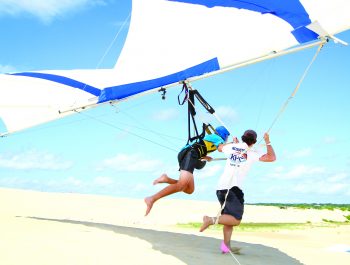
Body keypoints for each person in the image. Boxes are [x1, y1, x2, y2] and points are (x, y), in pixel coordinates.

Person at [199, 130, 276, 254]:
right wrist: (267, 141)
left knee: (228, 219)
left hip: (221, 188)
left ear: (243, 138)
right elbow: (272, 157)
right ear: (254, 142)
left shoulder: (232, 147)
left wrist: (233, 144)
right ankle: (210, 220)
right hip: (233, 189)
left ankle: (226, 247)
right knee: (236, 219)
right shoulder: (252, 153)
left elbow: (219, 148)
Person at [144, 126, 230, 216]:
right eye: (227, 137)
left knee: (189, 189)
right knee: (181, 185)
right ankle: (152, 199)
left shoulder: (214, 140)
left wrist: (206, 156)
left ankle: (167, 179)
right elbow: (221, 149)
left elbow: (203, 147)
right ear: (223, 134)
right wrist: (235, 147)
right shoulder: (217, 138)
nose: (227, 139)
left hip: (191, 155)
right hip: (190, 153)